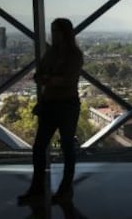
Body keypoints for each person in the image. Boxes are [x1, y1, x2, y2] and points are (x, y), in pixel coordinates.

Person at [18, 18, 84, 203]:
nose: (54, 34)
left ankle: (56, 188)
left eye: (57, 30)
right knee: (43, 147)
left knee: (65, 146)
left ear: (65, 33)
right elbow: (43, 76)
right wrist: (50, 78)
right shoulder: (62, 54)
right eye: (53, 30)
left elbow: (63, 80)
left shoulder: (70, 55)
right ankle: (51, 188)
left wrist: (47, 78)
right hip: (57, 104)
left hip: (64, 105)